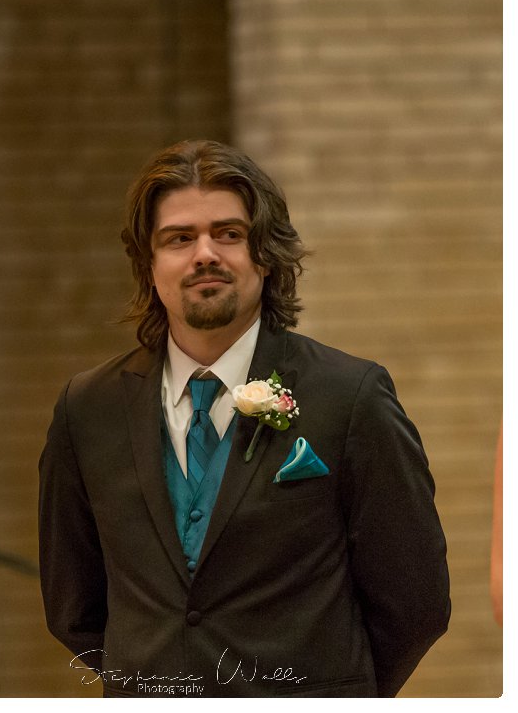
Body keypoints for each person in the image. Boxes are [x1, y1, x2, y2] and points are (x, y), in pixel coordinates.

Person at [37, 140, 450, 697]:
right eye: (179, 239)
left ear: (264, 253)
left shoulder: (351, 396)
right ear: (149, 263)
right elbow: (73, 606)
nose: (204, 253)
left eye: (228, 234)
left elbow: (415, 600)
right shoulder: (86, 409)